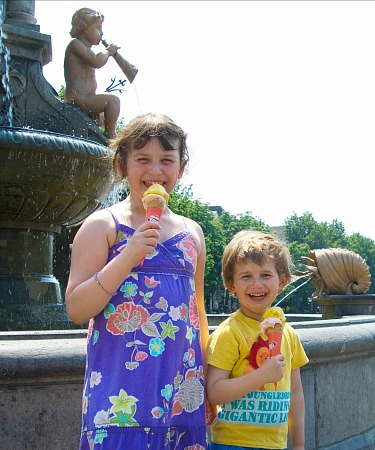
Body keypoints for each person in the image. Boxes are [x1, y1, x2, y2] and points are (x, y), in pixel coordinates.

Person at [65, 113, 210, 448]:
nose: (155, 171)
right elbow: (76, 308)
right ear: (121, 165)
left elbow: (198, 313)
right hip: (120, 398)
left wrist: (207, 382)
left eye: (166, 161)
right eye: (143, 160)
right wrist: (128, 256)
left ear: (181, 168)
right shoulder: (103, 225)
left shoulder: (193, 233)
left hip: (181, 394)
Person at [206, 230, 309, 450]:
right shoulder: (229, 333)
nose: (256, 284)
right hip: (232, 444)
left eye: (265, 275)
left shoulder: (288, 334)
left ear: (282, 281)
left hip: (275, 444)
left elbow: (296, 393)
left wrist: (299, 445)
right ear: (231, 285)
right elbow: (214, 392)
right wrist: (262, 376)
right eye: (246, 276)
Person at [64, 8, 121, 139]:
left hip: (86, 98)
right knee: (113, 101)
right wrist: (108, 51)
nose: (102, 33)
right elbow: (97, 61)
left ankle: (101, 132)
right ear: (85, 28)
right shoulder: (75, 45)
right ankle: (111, 135)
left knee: (104, 113)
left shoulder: (83, 48)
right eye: (98, 28)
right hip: (78, 98)